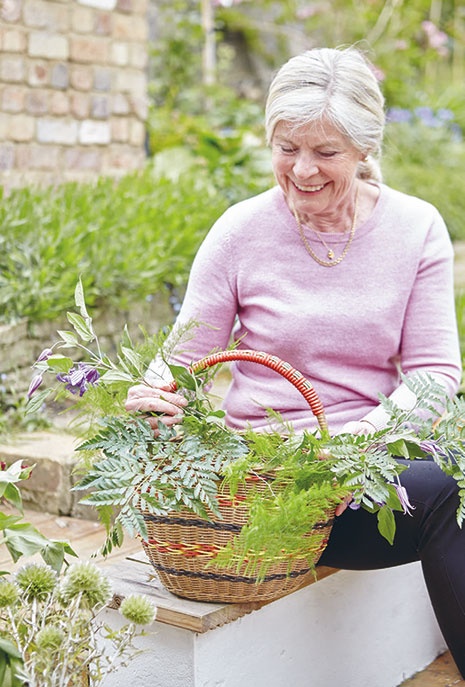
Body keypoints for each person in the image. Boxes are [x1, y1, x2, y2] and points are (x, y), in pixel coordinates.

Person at [125, 47, 465, 676]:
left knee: (446, 488)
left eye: (326, 152)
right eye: (287, 147)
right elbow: (180, 363)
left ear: (365, 149)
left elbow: (436, 376)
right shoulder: (240, 230)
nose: (302, 171)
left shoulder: (416, 228)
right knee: (446, 492)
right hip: (261, 491)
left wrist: (356, 449)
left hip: (361, 478)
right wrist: (153, 393)